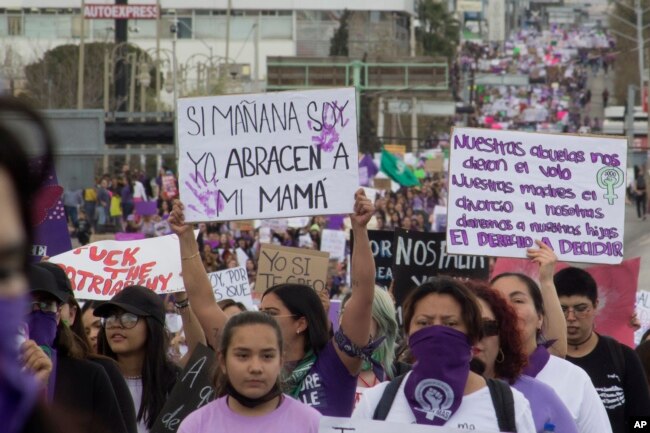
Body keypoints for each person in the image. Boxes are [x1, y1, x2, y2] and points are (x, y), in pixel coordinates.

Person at [169, 189, 376, 417]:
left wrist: (359, 229)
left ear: (301, 323)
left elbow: (363, 297)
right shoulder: (249, 364)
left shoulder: (337, 362)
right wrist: (186, 237)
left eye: (271, 312)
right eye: (261, 311)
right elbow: (205, 304)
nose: (261, 319)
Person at [353, 277, 536, 433]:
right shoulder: (376, 402)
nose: (437, 332)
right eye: (424, 322)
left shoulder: (510, 406)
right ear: (408, 334)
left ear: (472, 334)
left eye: (450, 323)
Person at [491, 271, 612, 433]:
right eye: (497, 303)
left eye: (518, 300)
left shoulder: (573, 378)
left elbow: (640, 419)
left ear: (540, 317)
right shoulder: (474, 378)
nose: (507, 309)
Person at [177, 311, 321, 433]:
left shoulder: (313, 424)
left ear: (280, 361)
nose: (255, 368)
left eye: (267, 356)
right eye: (243, 355)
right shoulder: (196, 426)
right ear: (222, 361)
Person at [27, 264, 128, 433]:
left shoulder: (90, 376)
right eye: (25, 306)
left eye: (46, 305)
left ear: (58, 315)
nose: (37, 313)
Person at [469, 282, 578, 433]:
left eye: (487, 327)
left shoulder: (539, 396)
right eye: (463, 327)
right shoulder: (427, 393)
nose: (475, 338)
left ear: (504, 334)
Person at [94, 286, 205, 433]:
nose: (116, 324)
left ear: (152, 326)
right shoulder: (93, 378)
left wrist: (182, 300)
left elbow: (199, 355)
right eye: (110, 317)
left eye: (129, 318)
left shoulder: (171, 380)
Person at [554, 267, 650, 433]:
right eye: (562, 309)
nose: (571, 317)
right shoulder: (540, 360)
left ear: (595, 306)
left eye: (581, 308)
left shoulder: (624, 357)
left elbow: (642, 421)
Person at [340, 288, 398, 406]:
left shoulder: (400, 377)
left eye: (358, 313)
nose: (346, 320)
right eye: (343, 312)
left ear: (382, 323)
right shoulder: (322, 368)